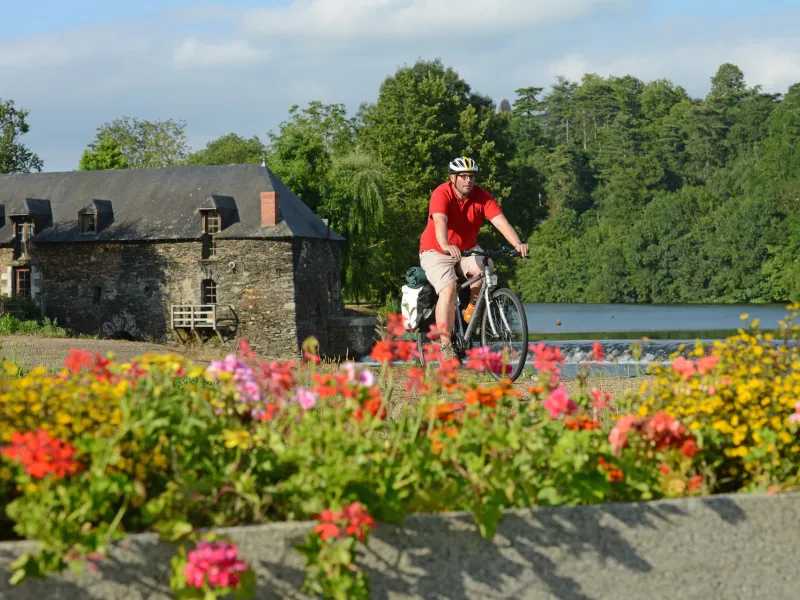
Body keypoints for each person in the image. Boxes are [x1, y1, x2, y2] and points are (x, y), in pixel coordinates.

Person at [418, 156, 529, 357]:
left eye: (471, 176)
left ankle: (470, 309)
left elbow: (500, 222)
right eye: (464, 176)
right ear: (453, 178)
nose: (468, 180)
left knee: (487, 269)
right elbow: (440, 221)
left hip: (467, 250)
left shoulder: (482, 197)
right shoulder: (441, 193)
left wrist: (517, 244)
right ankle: (445, 347)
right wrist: (445, 245)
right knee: (449, 288)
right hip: (436, 251)